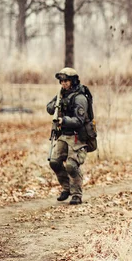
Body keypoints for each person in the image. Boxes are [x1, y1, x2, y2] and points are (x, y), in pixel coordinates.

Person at [46, 68, 90, 205]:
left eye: (66, 81)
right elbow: (49, 108)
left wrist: (63, 120)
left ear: (73, 81)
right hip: (63, 134)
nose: (63, 83)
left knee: (71, 165)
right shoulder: (61, 94)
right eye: (61, 81)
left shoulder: (80, 98)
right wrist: (55, 105)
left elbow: (79, 120)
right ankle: (66, 188)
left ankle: (76, 194)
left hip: (77, 136)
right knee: (54, 161)